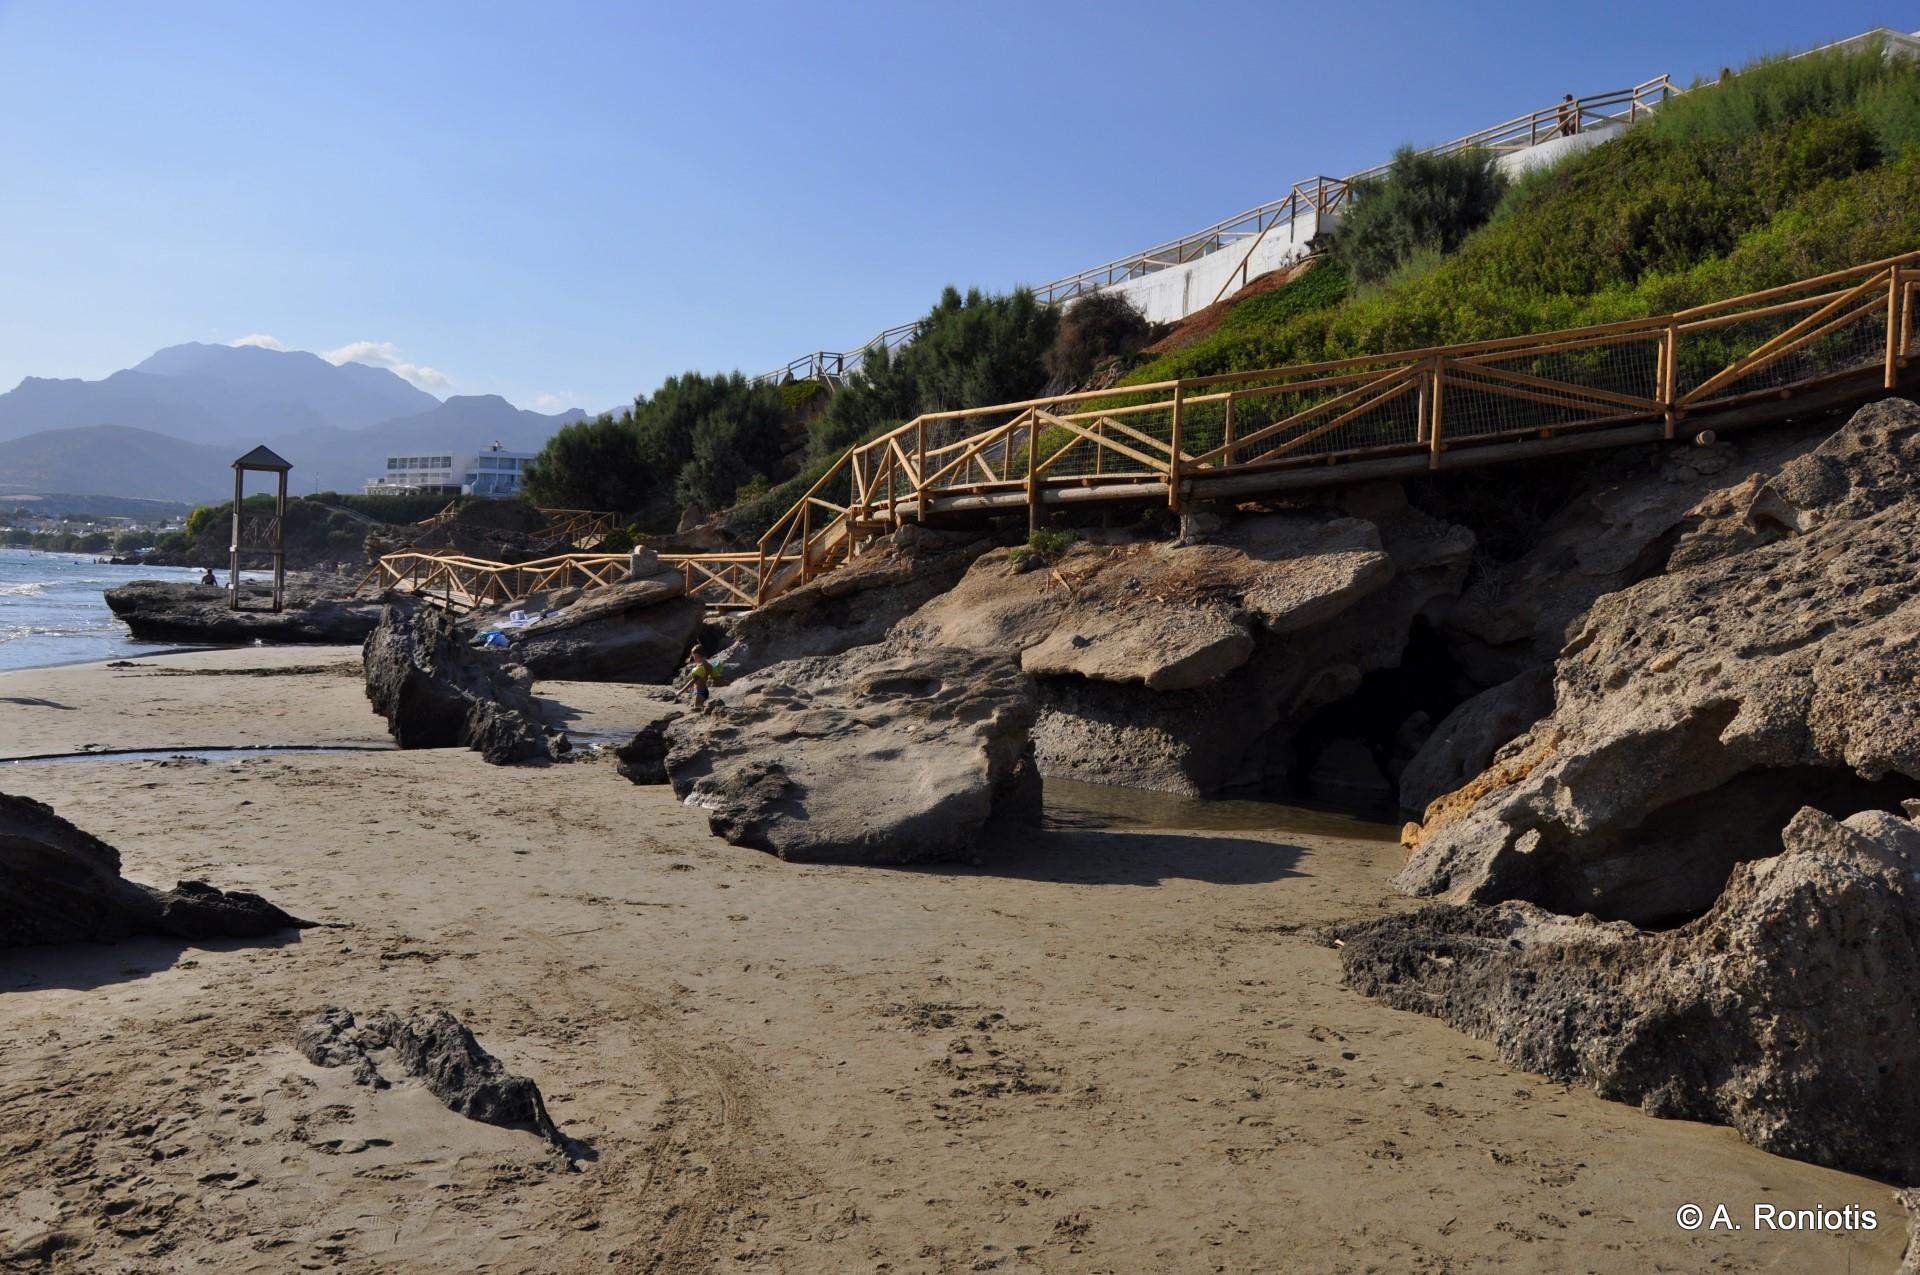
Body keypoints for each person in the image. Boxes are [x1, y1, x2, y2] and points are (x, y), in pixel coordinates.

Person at [684, 648, 717, 715]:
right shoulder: (708, 665)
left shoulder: (701, 668)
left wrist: (681, 691)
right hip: (703, 690)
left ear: (699, 656)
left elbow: (692, 681)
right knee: (699, 708)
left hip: (700, 691)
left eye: (694, 656)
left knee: (697, 709)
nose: (694, 658)